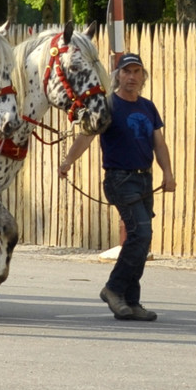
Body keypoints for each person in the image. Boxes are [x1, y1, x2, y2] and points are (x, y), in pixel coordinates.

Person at [58, 52, 172, 321]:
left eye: (136, 72)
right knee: (140, 234)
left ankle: (131, 303)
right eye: (126, 72)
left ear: (143, 76)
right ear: (117, 75)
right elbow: (86, 136)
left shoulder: (148, 107)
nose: (131, 77)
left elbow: (159, 144)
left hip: (144, 179)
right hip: (120, 179)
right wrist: (67, 161)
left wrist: (168, 173)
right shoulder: (107, 106)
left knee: (140, 240)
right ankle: (113, 289)